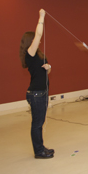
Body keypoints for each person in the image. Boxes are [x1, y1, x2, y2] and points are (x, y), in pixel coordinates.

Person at [19, 9, 54, 159]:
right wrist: (41, 17)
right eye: (35, 39)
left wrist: (49, 68)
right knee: (37, 124)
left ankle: (41, 147)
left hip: (42, 92)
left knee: (40, 122)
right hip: (36, 94)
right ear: (30, 41)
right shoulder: (30, 53)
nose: (38, 41)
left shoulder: (39, 54)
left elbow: (46, 72)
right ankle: (38, 151)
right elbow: (39, 34)